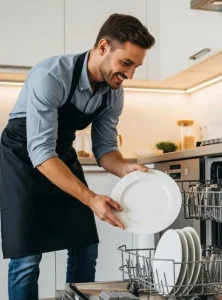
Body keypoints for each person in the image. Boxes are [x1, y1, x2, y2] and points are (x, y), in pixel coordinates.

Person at [0, 13, 155, 300]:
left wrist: (126, 170)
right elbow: (41, 151)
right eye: (126, 63)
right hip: (22, 158)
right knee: (27, 258)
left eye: (136, 66)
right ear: (103, 47)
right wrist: (91, 198)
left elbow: (105, 149)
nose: (130, 74)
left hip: (60, 153)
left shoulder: (113, 92)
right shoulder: (51, 75)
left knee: (85, 246)